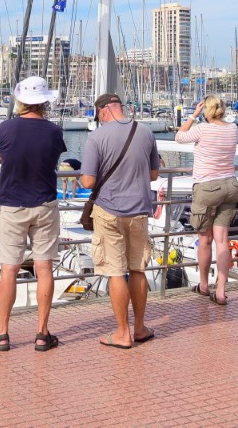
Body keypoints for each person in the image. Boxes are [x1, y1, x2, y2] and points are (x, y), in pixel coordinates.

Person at [0, 76, 66, 353]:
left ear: (21, 101)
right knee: (44, 268)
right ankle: (42, 333)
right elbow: (52, 159)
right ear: (45, 102)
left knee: (9, 267)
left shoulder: (6, 128)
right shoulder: (54, 132)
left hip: (13, 204)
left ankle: (3, 333)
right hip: (44, 204)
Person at [80, 93, 161, 347]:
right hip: (139, 210)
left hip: (109, 210)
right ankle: (139, 328)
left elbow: (88, 181)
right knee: (137, 268)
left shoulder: (96, 137)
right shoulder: (146, 131)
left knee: (115, 272)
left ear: (103, 111)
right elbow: (154, 174)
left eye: (98, 115)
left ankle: (122, 333)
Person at [175, 95, 238, 305]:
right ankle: (220, 290)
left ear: (206, 110)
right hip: (230, 185)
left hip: (207, 187)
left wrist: (193, 115)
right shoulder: (233, 128)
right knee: (222, 241)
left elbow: (179, 136)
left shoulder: (203, 129)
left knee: (205, 240)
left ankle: (204, 285)